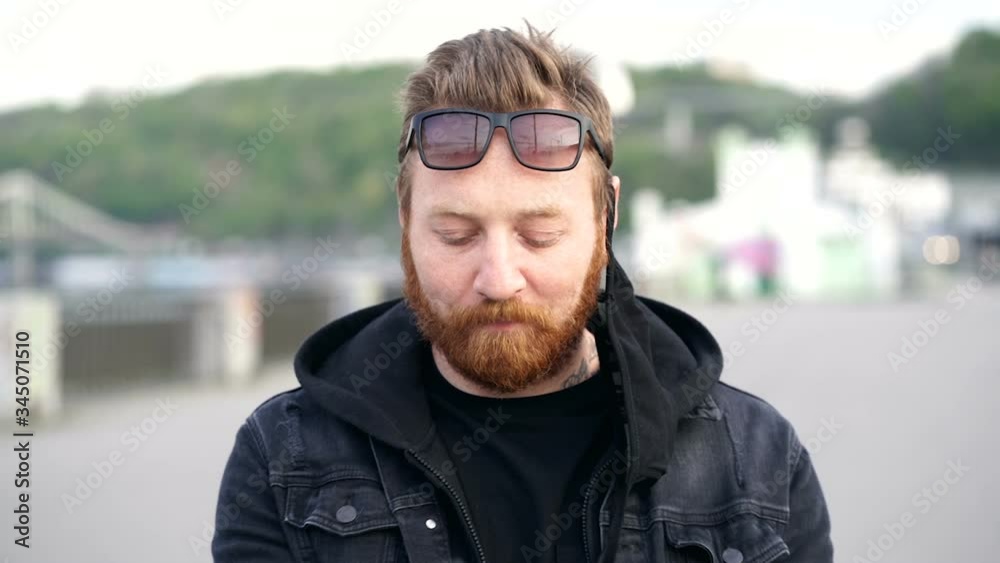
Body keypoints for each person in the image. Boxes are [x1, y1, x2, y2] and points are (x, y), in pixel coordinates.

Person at [212, 23, 834, 563]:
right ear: (405, 221)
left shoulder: (756, 464)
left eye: (540, 236)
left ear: (607, 218)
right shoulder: (286, 460)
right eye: (456, 236)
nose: (499, 279)